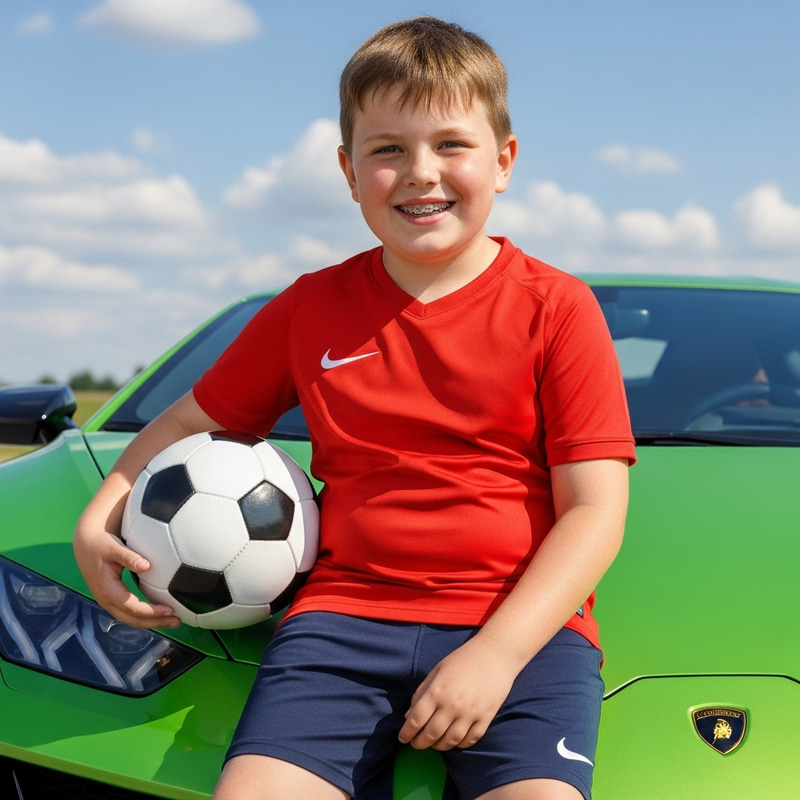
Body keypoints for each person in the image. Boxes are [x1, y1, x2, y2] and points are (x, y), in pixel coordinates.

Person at [73, 16, 635, 800]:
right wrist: (100, 515)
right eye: (387, 150)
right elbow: (182, 427)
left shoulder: (558, 308)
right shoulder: (309, 308)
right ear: (346, 170)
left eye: (451, 145)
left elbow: (595, 513)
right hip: (340, 625)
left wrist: (495, 656)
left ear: (504, 161)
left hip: (521, 630)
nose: (420, 173)